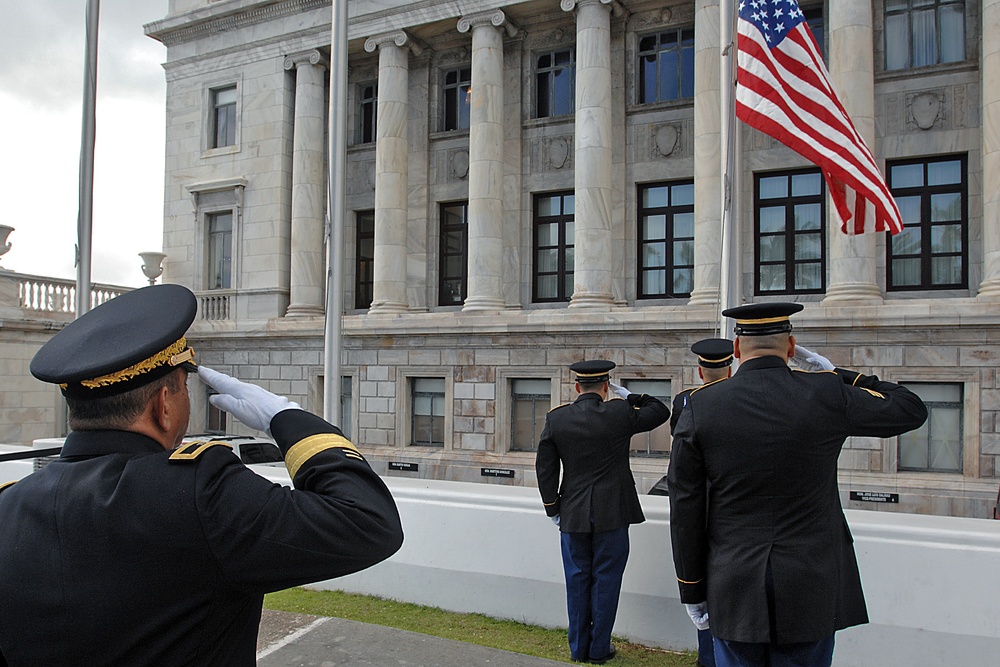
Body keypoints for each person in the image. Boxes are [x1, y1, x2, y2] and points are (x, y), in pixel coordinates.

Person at [0, 284, 404, 666]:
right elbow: (366, 521)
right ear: (163, 405)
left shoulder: (8, 505)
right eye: (182, 389)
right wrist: (288, 418)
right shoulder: (199, 493)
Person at [668, 303, 927, 667]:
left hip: (733, 580)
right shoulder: (826, 392)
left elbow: (686, 506)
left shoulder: (700, 405)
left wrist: (691, 587)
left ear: (737, 350)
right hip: (811, 580)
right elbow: (911, 408)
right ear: (792, 347)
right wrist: (838, 373)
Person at [536, 360, 670, 664]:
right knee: (607, 581)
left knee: (577, 580)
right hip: (613, 512)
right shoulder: (619, 412)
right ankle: (599, 649)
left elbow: (545, 467)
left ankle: (578, 648)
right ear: (606, 387)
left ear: (576, 387)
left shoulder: (557, 418)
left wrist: (552, 507)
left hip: (573, 512)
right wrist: (630, 397)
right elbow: (660, 411)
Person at [669, 338, 734, 667]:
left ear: (700, 370)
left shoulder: (685, 401)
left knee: (705, 589)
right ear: (730, 367)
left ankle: (708, 657)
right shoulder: (739, 398)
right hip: (730, 502)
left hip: (701, 502)